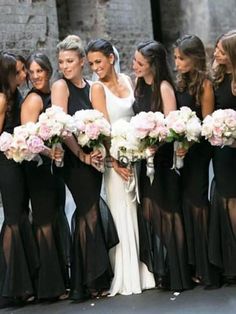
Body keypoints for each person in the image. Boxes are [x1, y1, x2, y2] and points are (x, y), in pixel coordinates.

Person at [86, 38, 155, 296]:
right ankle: (126, 275)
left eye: (99, 62)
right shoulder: (97, 89)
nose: (95, 67)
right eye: (91, 63)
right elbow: (103, 130)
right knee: (121, 213)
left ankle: (143, 269)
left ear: (111, 58)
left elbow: (137, 116)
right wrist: (114, 162)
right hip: (115, 161)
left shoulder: (127, 80)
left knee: (137, 212)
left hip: (136, 154)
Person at [51, 35, 118, 301]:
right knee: (88, 211)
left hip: (94, 159)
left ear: (82, 62)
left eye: (70, 61)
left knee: (88, 212)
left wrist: (102, 153)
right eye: (61, 62)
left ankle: (89, 277)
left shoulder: (95, 88)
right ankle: (89, 280)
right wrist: (81, 155)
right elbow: (60, 126)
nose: (65, 66)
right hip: (73, 160)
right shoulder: (60, 87)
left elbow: (104, 125)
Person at [132, 40, 192, 291]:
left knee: (169, 213)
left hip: (164, 159)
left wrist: (156, 141)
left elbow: (172, 126)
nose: (134, 66)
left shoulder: (164, 87)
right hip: (146, 159)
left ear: (153, 65)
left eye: (140, 63)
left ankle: (180, 273)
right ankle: (168, 266)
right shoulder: (139, 86)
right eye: (134, 61)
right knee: (149, 211)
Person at [21, 52, 70, 300]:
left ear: (48, 71)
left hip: (55, 169)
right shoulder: (33, 100)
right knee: (44, 223)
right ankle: (49, 286)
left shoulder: (54, 95)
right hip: (38, 169)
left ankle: (59, 280)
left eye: (40, 71)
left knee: (55, 218)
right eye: (32, 73)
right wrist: (51, 153)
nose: (36, 76)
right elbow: (27, 139)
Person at [173, 34, 220, 288]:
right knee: (186, 204)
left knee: (198, 202)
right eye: (176, 58)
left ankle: (208, 268)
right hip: (181, 150)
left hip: (198, 150)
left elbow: (207, 123)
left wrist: (188, 143)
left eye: (181, 58)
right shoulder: (181, 82)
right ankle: (192, 265)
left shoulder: (204, 84)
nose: (177, 63)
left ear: (194, 58)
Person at [0, 52, 38, 303]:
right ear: (9, 74)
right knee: (13, 218)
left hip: (17, 160)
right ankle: (10, 287)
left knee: (21, 215)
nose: (25, 75)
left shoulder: (16, 95)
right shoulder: (2, 98)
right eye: (21, 71)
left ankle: (22, 284)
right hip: (6, 163)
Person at [209, 29, 236, 284]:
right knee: (227, 201)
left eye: (220, 50)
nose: (215, 53)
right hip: (223, 152)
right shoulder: (216, 79)